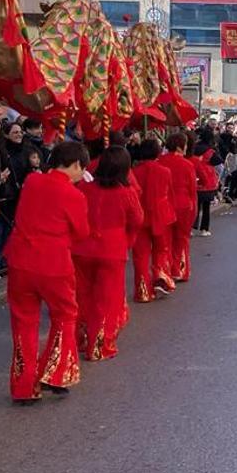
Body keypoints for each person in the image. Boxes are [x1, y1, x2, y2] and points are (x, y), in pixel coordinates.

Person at [3, 141, 89, 403]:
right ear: (76, 165)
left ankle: (23, 385)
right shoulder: (74, 195)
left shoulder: (32, 181)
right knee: (65, 316)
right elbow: (82, 232)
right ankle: (55, 371)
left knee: (23, 323)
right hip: (53, 263)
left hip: (20, 260)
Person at [73, 146, 143, 361]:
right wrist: (127, 241)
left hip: (83, 248)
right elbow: (137, 220)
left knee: (81, 295)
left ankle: (78, 337)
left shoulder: (85, 188)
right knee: (106, 299)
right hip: (112, 250)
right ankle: (99, 344)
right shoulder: (127, 193)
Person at [131, 139, 177, 302]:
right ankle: (161, 277)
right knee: (161, 250)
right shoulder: (165, 171)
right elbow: (170, 195)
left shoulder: (134, 172)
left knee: (141, 255)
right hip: (161, 214)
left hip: (141, 215)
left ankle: (143, 290)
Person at [160, 132, 198, 281]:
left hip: (166, 204)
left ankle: (167, 269)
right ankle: (180, 270)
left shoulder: (160, 162)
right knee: (182, 239)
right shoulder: (187, 164)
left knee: (166, 241)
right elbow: (192, 189)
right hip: (184, 205)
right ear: (180, 146)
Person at [190, 130, 221, 236]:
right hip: (207, 181)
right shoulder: (210, 151)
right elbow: (218, 161)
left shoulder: (193, 148)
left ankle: (191, 227)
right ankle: (204, 229)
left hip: (194, 179)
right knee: (206, 207)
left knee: (195, 206)